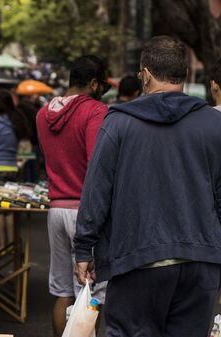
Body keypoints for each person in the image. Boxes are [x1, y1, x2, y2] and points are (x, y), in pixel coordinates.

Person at [74, 35, 221, 337]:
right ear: (184, 75)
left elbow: (97, 191)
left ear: (146, 74)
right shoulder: (213, 124)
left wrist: (84, 248)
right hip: (200, 261)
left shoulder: (118, 123)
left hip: (137, 259)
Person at [36, 55, 109, 337]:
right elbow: (97, 166)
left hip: (56, 208)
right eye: (102, 84)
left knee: (63, 291)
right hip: (86, 211)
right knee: (91, 296)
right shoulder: (95, 111)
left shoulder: (43, 114)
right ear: (92, 83)